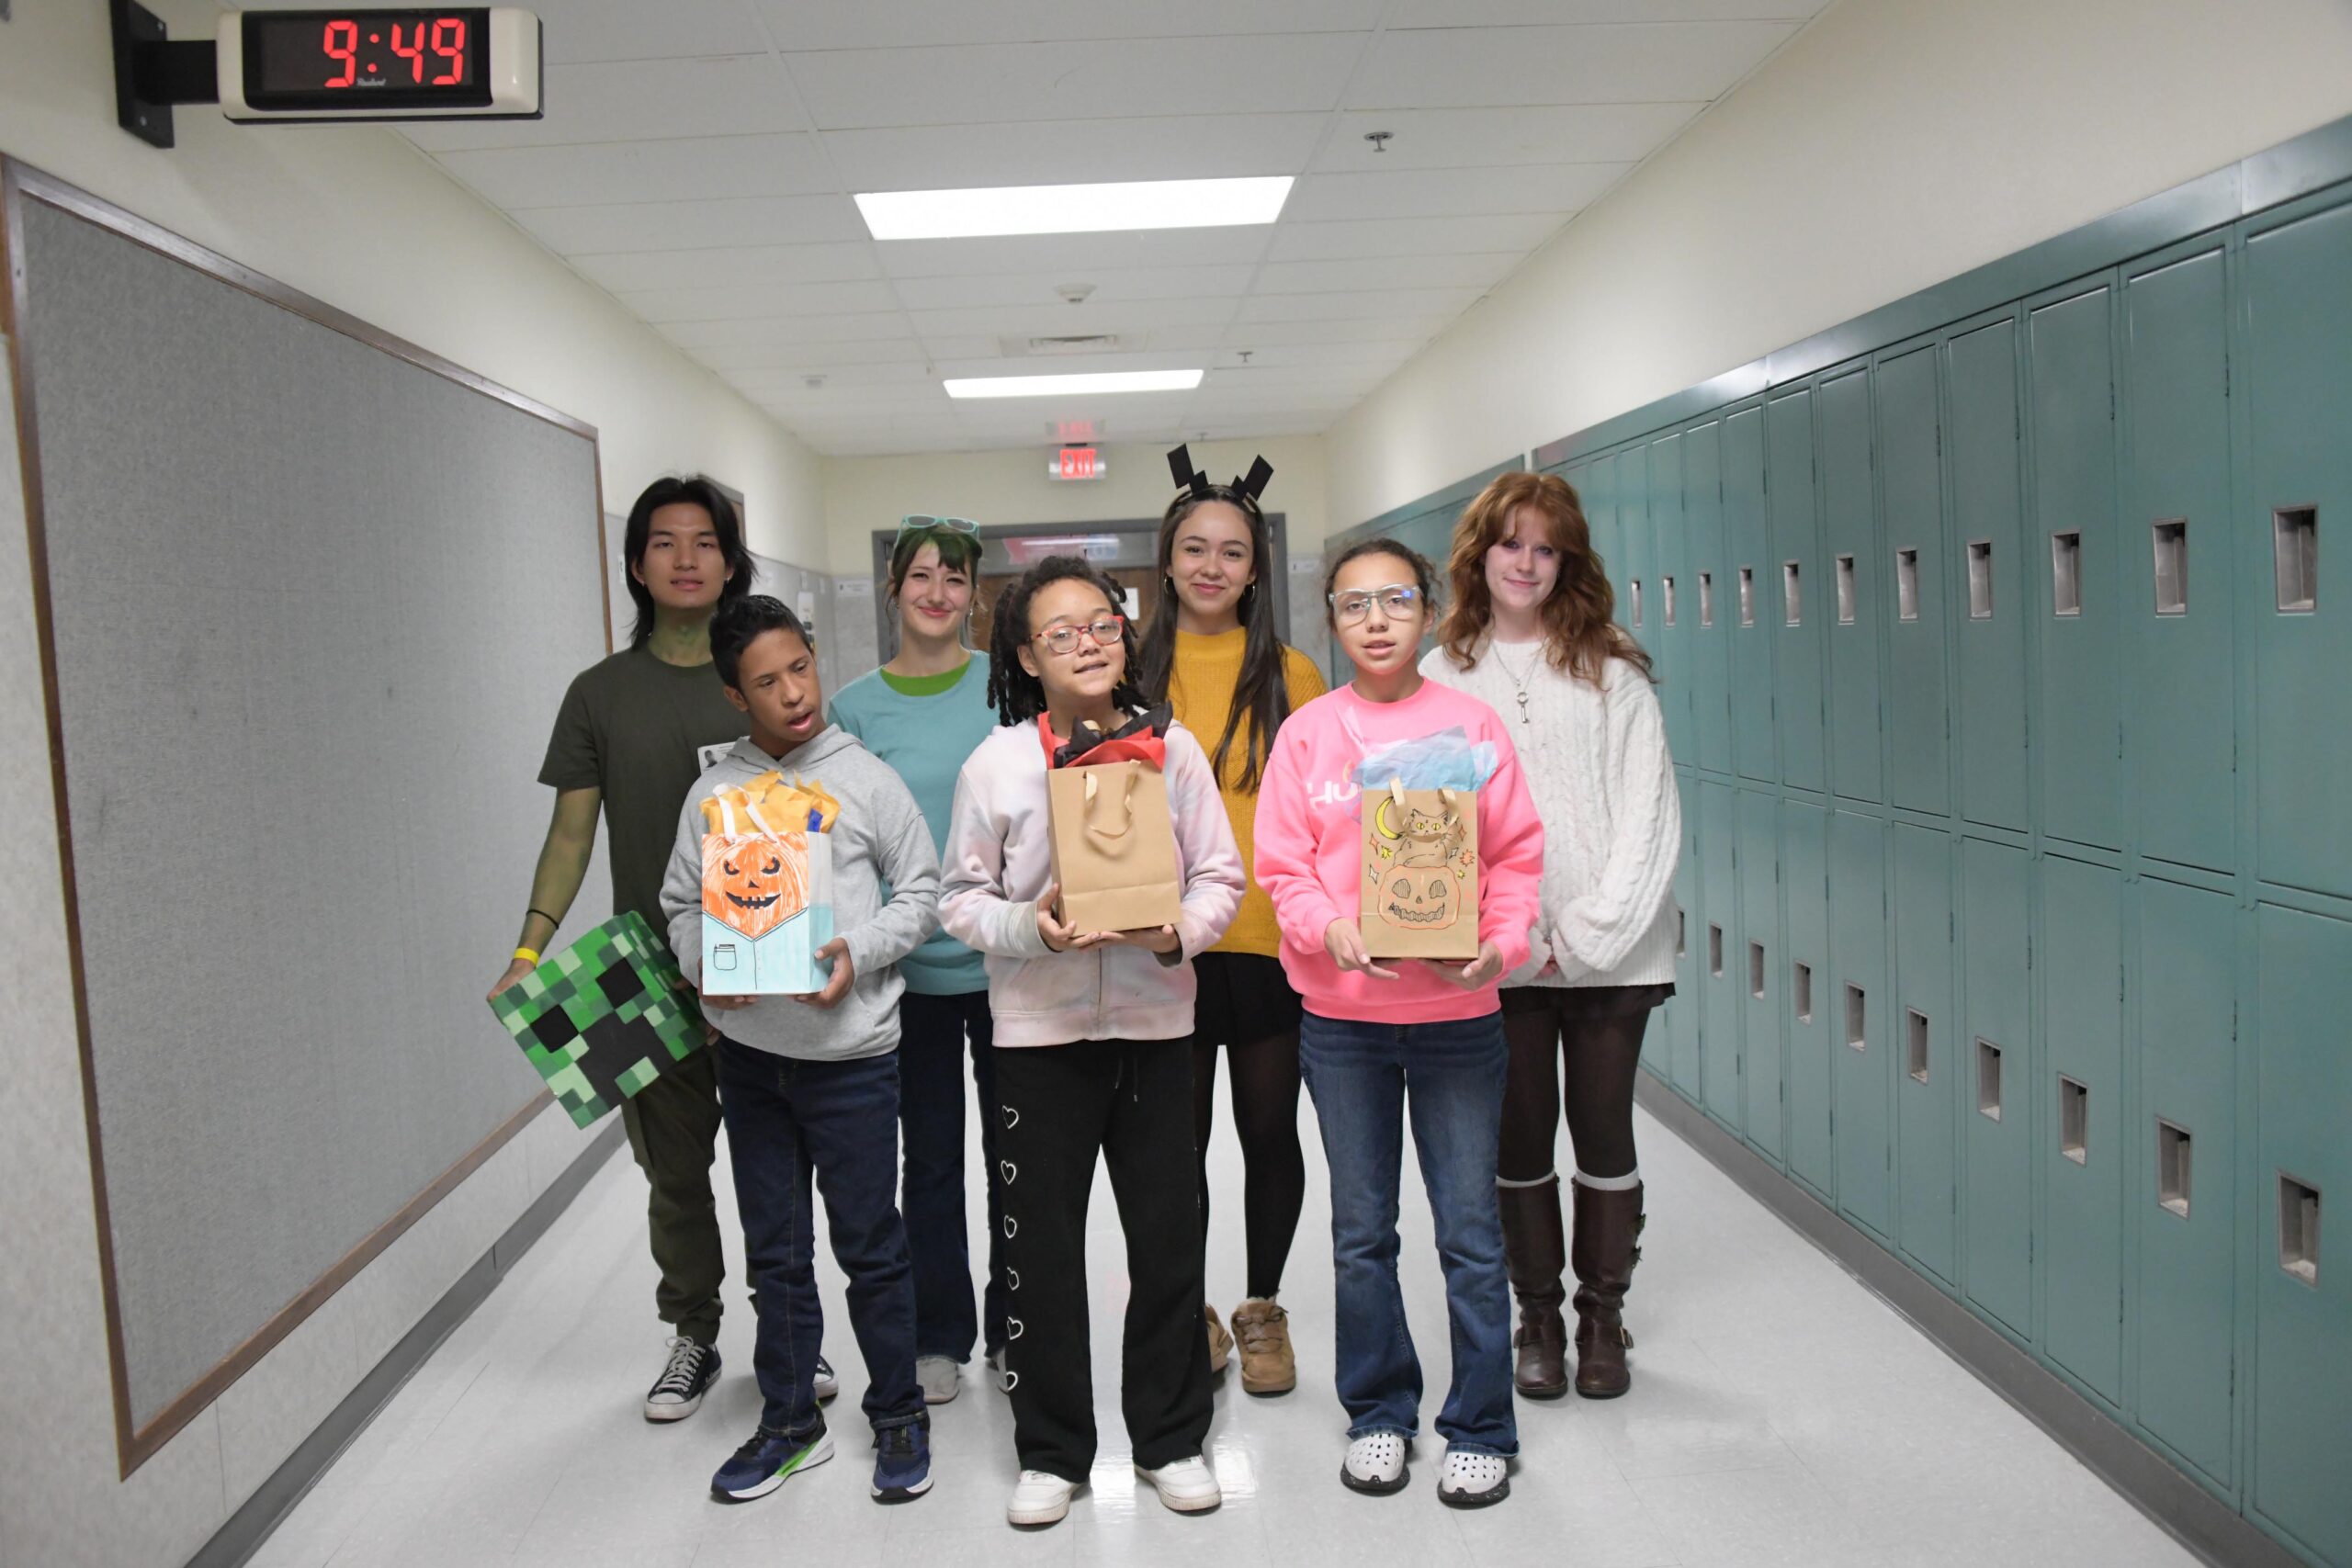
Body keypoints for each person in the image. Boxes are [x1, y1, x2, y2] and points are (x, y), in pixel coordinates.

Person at [487, 476, 835, 1421]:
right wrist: (530, 951)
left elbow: (819, 819)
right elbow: (570, 835)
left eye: (705, 542)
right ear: (637, 564)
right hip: (643, 975)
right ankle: (693, 1331)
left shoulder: (761, 682)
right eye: (664, 543)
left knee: (774, 1170)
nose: (686, 559)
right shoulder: (599, 695)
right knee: (672, 1176)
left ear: (731, 561)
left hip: (763, 961)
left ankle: (789, 1333)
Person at [938, 556, 1244, 1529]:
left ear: (1125, 633)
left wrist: (1171, 934)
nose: (1087, 644)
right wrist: (1033, 927)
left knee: (1168, 1240)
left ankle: (1170, 1438)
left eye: (1102, 624)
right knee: (1039, 1252)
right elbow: (959, 899)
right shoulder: (995, 765)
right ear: (1026, 657)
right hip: (1038, 1040)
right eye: (1060, 633)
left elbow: (1220, 877)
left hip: (1156, 1031)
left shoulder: (1172, 749)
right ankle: (1052, 1450)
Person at [1254, 540, 1544, 1508]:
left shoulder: (1471, 725)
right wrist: (1325, 927)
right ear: (1331, 619)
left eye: (1395, 600)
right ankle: (1379, 1413)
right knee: (1360, 1232)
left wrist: (1498, 945)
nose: (1375, 620)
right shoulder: (1308, 734)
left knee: (1469, 1232)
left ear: (1428, 610)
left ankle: (1481, 1426)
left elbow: (1514, 857)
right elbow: (1282, 865)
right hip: (1344, 1024)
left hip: (1458, 1016)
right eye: (1354, 604)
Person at [659, 595, 941, 1505]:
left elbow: (922, 892)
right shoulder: (715, 794)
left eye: (800, 669)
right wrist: (707, 964)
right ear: (735, 697)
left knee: (871, 1247)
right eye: (766, 682)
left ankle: (898, 1412)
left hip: (853, 1060)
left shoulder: (865, 778)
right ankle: (788, 1423)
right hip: (750, 1062)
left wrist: (859, 950)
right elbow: (681, 903)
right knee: (775, 1252)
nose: (792, 694)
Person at [1423, 471, 1678, 1402]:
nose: (1526, 563)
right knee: (1518, 1135)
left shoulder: (1613, 671)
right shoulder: (1442, 674)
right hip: (1500, 956)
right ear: (1479, 555)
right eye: (1510, 544)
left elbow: (1650, 816)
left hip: (1614, 953)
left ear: (1566, 561)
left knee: (1603, 1129)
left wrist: (1587, 932)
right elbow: (1435, 823)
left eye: (1545, 547)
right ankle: (1537, 1316)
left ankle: (1602, 1317)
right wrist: (1514, 934)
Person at [1136, 447, 1325, 1395]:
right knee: (1175, 1152)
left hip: (1267, 945)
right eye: (1195, 549)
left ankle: (1262, 1309)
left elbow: (1328, 810)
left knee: (1268, 1136)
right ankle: (1193, 1313)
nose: (1212, 566)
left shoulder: (1293, 672)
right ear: (1168, 560)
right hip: (1162, 947)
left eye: (1233, 552)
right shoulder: (1128, 671)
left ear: (1255, 570)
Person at [828, 516, 1008, 1405]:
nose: (938, 593)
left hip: (1011, 964)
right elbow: (842, 846)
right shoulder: (854, 709)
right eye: (922, 576)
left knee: (1017, 1155)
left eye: (955, 578)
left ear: (974, 594)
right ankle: (939, 1333)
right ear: (893, 587)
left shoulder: (1007, 684)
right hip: (910, 976)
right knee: (930, 1162)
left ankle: (1016, 1325)